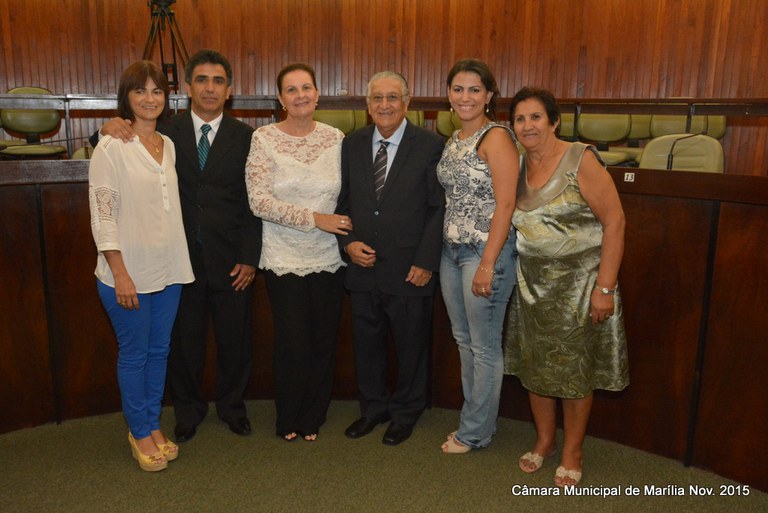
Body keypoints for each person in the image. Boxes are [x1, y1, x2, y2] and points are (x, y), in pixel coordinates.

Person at [94, 50, 261, 442]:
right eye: (201, 80)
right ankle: (188, 412)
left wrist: (249, 257)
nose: (209, 88)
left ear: (229, 90)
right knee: (183, 344)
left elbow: (254, 200)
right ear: (187, 87)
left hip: (231, 258)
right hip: (177, 261)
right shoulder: (165, 131)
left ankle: (233, 408)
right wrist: (105, 127)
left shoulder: (247, 137)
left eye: (218, 81)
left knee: (235, 340)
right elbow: (114, 148)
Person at [504, 87, 629, 487]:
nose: (527, 125)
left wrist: (604, 288)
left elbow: (615, 222)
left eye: (536, 117)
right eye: (520, 119)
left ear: (554, 121)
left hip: (581, 287)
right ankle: (545, 440)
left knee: (575, 374)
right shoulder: (515, 166)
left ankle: (573, 450)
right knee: (535, 367)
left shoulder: (580, 159)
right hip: (532, 288)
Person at [89, 60, 194, 471]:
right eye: (140, 90)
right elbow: (103, 214)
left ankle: (151, 424)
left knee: (159, 351)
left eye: (157, 91)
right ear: (126, 97)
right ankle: (137, 430)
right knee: (135, 355)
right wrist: (120, 272)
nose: (149, 98)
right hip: (127, 273)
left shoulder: (167, 144)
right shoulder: (111, 146)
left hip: (168, 270)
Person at [336, 71, 445, 446]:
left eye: (393, 97)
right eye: (377, 98)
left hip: (409, 269)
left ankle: (405, 413)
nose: (385, 105)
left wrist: (426, 261)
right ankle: (373, 409)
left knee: (411, 348)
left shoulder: (430, 145)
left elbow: (438, 207)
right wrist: (348, 243)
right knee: (367, 346)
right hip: (363, 267)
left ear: (407, 102)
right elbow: (342, 202)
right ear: (368, 105)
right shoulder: (352, 144)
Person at [245, 63, 348, 442]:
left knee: (323, 340)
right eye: (291, 89)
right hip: (283, 256)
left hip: (330, 256)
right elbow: (258, 201)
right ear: (280, 98)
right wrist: (314, 219)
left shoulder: (337, 138)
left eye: (306, 87)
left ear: (317, 94)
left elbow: (348, 194)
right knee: (292, 341)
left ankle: (313, 416)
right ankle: (287, 415)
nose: (300, 95)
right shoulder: (264, 138)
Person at [437, 59, 519, 455]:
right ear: (448, 94)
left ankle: (474, 433)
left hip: (484, 253)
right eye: (458, 89)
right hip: (451, 251)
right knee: (464, 341)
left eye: (474, 89)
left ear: (489, 96)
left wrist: (487, 263)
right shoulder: (454, 138)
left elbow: (506, 204)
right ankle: (476, 422)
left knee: (484, 347)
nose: (465, 96)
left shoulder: (496, 137)